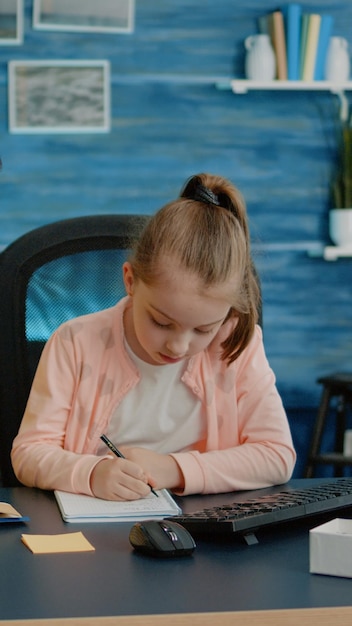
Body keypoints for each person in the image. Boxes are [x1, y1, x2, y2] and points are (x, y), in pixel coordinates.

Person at [11, 173, 296, 501]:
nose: (178, 345)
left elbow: (277, 456)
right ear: (130, 280)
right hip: (98, 526)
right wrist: (90, 474)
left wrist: (172, 469)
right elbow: (29, 453)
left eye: (203, 330)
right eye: (161, 322)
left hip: (205, 528)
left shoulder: (236, 345)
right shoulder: (73, 342)